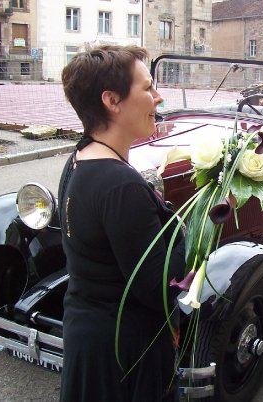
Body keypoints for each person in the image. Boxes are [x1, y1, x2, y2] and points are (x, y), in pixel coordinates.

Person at [58, 45, 185, 401]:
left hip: (89, 337)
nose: (158, 98)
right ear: (112, 100)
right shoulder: (119, 185)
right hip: (125, 355)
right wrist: (199, 227)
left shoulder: (80, 158)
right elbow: (160, 288)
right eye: (147, 88)